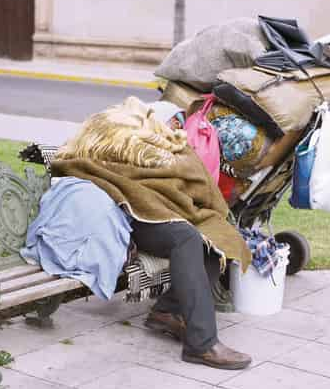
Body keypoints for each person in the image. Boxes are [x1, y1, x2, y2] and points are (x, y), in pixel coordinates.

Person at [51, 96, 253, 370]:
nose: (173, 130)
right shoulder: (118, 134)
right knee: (186, 237)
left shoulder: (164, 142)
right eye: (170, 124)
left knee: (218, 239)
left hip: (158, 206)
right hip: (131, 212)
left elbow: (185, 177)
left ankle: (167, 311)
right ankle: (201, 344)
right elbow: (105, 169)